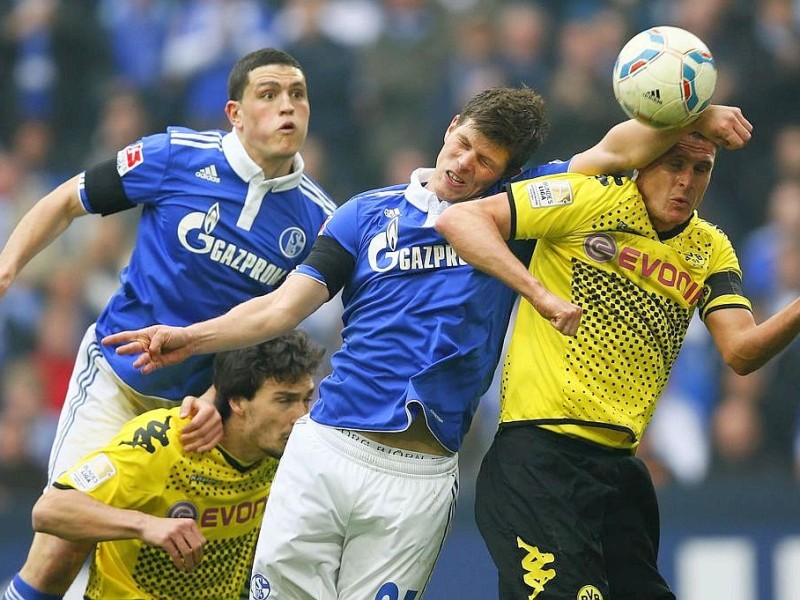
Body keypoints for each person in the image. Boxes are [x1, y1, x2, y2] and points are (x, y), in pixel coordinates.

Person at [103, 89, 751, 599]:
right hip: (328, 446)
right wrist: (190, 338)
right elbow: (281, 308)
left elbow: (617, 148)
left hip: (420, 473)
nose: (465, 164)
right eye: (463, 143)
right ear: (449, 130)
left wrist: (696, 113)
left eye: (485, 161)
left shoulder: (516, 213)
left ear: (509, 173)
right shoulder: (363, 213)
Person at [0, 47, 335, 600]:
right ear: (235, 112)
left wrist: (214, 395)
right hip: (117, 380)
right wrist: (8, 266)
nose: (287, 108)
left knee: (175, 568)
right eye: (269, 95)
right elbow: (66, 201)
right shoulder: (174, 155)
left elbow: (271, 330)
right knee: (63, 538)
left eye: (297, 95)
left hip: (201, 413)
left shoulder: (319, 219)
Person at [430, 129, 800, 599]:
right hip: (539, 460)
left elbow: (741, 351)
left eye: (700, 169)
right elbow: (462, 221)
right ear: (643, 161)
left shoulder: (709, 249)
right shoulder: (586, 197)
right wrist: (538, 294)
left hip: (620, 471)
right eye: (673, 165)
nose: (686, 181)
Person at [9, 331, 324, 600]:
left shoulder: (290, 456)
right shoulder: (165, 444)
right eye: (284, 401)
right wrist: (145, 524)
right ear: (237, 401)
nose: (300, 415)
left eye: (305, 400)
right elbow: (50, 511)